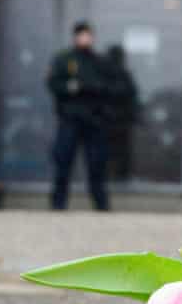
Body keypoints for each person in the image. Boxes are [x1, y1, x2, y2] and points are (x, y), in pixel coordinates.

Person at [46, 22, 120, 211]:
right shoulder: (64, 59)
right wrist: (76, 87)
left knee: (97, 163)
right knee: (63, 161)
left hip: (94, 120)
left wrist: (93, 89)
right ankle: (58, 203)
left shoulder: (99, 61)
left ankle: (101, 204)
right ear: (75, 37)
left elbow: (113, 87)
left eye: (88, 35)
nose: (85, 38)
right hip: (70, 119)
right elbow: (54, 84)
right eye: (81, 35)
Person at [103, 44, 140, 181]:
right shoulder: (117, 75)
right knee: (114, 152)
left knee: (119, 152)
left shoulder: (122, 75)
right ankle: (118, 176)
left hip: (118, 121)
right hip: (111, 121)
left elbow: (132, 96)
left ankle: (120, 176)